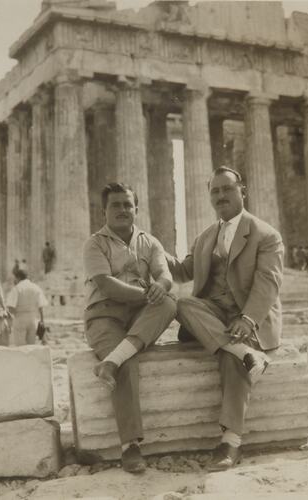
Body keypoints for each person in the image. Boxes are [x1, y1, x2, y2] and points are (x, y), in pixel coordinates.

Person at [167, 166, 283, 472]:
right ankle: (246, 354)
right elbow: (182, 271)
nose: (221, 196)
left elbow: (268, 282)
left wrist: (248, 319)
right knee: (182, 304)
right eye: (215, 191)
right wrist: (150, 248)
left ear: (242, 191)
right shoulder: (206, 236)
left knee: (230, 358)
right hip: (214, 312)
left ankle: (230, 441)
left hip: (248, 315)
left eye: (227, 189)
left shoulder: (266, 234)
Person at [82, 182, 176, 474]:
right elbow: (106, 285)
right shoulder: (95, 243)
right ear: (104, 211)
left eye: (127, 204)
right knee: (128, 360)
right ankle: (130, 446)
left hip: (139, 316)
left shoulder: (151, 242)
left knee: (170, 302)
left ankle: (111, 360)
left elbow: (164, 275)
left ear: (136, 208)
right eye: (115, 205)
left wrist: (160, 287)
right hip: (104, 316)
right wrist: (147, 293)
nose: (122, 209)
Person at [6, 268, 48, 346]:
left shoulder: (17, 288)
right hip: (33, 319)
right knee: (31, 347)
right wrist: (42, 321)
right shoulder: (36, 288)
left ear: (17, 278)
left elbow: (11, 308)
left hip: (20, 318)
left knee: (20, 347)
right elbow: (41, 307)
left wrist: (11, 321)